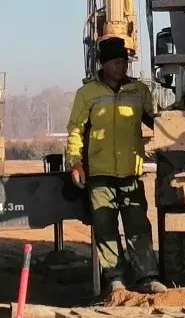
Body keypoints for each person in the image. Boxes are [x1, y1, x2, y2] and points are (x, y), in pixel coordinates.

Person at [66, 36, 167, 296]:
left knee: (138, 226)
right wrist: (75, 163)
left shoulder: (138, 91)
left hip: (130, 172)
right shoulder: (87, 93)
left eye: (124, 62)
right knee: (105, 227)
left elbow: (157, 121)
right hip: (99, 173)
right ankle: (115, 278)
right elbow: (75, 130)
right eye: (116, 62)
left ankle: (147, 276)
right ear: (103, 64)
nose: (122, 67)